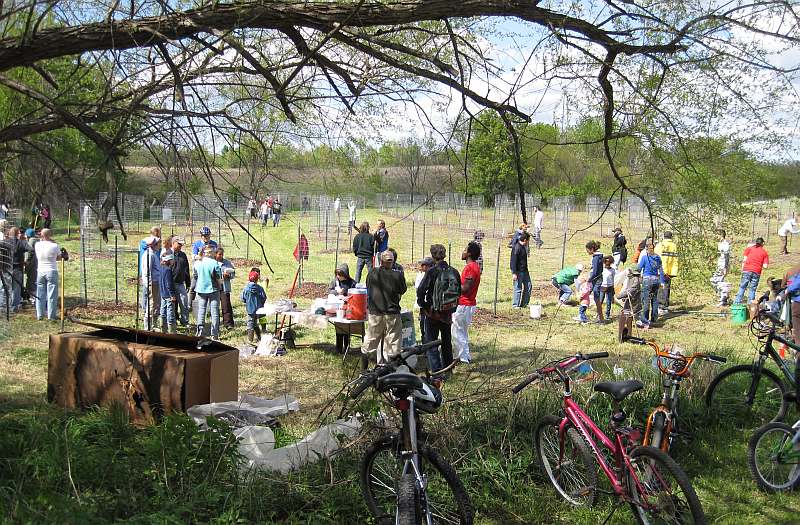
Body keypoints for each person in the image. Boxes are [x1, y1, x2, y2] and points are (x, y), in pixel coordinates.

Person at [417, 244, 460, 378]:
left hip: (433, 313)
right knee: (446, 341)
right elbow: (459, 292)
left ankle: (436, 372)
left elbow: (421, 290)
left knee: (431, 342)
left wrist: (424, 306)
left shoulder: (432, 271)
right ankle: (448, 369)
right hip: (447, 313)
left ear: (433, 255)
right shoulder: (453, 271)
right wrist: (452, 307)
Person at [363, 250, 408, 366]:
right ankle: (391, 369)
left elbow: (368, 286)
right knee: (393, 341)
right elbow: (403, 290)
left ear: (381, 261)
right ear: (392, 262)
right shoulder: (397, 275)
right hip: (392, 312)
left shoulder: (372, 273)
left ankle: (364, 369)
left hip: (375, 312)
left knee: (370, 340)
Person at [452, 241, 481, 364]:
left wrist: (452, 286)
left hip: (464, 304)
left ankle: (462, 358)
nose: (462, 252)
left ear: (469, 253)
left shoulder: (470, 268)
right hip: (468, 304)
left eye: (464, 249)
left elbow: (466, 288)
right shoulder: (475, 266)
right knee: (462, 331)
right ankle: (465, 355)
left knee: (457, 331)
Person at [34, 228, 65, 321]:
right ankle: (51, 316)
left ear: (41, 235)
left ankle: (40, 315)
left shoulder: (37, 245)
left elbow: (42, 242)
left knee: (40, 294)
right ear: (50, 235)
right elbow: (59, 257)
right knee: (51, 294)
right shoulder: (55, 246)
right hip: (51, 270)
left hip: (40, 271)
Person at [195, 246, 222, 338]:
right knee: (214, 312)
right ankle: (214, 333)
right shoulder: (215, 263)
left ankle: (200, 331)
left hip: (201, 289)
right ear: (211, 253)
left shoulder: (198, 263)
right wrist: (220, 285)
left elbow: (195, 275)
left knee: (201, 310)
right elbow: (218, 277)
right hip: (213, 289)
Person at [734, 237, 769, 304]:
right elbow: (765, 266)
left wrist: (743, 269)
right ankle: (750, 305)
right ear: (762, 243)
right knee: (752, 289)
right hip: (756, 272)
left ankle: (737, 303)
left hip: (747, 270)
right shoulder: (764, 253)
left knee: (742, 287)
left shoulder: (749, 249)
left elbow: (744, 259)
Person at [638, 241, 664, 328]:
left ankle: (644, 320)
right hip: (656, 281)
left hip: (647, 281)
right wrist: (662, 281)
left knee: (646, 300)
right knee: (654, 300)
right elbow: (661, 271)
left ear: (646, 249)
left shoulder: (645, 257)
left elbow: (639, 268)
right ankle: (654, 319)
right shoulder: (658, 257)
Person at [655, 231, 679, 312]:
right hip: (670, 270)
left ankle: (661, 306)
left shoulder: (660, 245)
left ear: (663, 236)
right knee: (667, 287)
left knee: (661, 288)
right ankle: (665, 305)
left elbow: (655, 257)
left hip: (661, 269)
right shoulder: (674, 246)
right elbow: (675, 259)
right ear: (671, 237)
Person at [241, 270, 268, 343]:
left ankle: (250, 339)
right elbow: (264, 297)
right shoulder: (260, 288)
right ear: (257, 279)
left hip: (250, 310)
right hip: (260, 309)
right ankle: (263, 330)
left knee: (251, 323)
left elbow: (243, 298)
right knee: (262, 318)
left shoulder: (246, 288)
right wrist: (261, 303)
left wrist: (247, 302)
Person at [171, 237, 191, 326]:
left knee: (184, 303)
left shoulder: (183, 255)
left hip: (180, 283)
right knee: (172, 304)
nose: (181, 246)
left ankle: (184, 321)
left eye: (181, 244)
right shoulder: (168, 254)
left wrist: (188, 283)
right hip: (170, 284)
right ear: (173, 243)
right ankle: (173, 321)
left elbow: (186, 269)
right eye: (179, 244)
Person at [414, 257, 434, 343]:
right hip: (423, 305)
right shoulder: (420, 275)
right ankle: (424, 343)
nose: (421, 266)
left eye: (424, 265)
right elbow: (418, 290)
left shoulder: (432, 275)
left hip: (430, 305)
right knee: (423, 325)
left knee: (429, 327)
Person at [215, 247, 235, 328]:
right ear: (215, 254)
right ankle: (215, 324)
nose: (221, 256)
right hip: (214, 287)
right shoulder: (212, 262)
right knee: (214, 307)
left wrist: (228, 275)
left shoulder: (227, 263)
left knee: (226, 305)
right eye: (219, 254)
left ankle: (228, 324)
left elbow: (233, 273)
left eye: (222, 254)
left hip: (224, 287)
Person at [710, 229, 731, 306]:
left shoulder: (726, 244)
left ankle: (723, 297)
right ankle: (723, 297)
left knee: (715, 281)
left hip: (723, 266)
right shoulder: (720, 244)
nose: (716, 236)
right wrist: (712, 258)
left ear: (721, 235)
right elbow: (719, 254)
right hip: (719, 265)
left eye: (717, 235)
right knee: (718, 282)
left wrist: (725, 268)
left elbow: (726, 256)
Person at [511, 232, 532, 308]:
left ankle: (524, 304)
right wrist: (514, 273)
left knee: (529, 286)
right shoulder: (516, 248)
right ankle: (515, 305)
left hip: (525, 271)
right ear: (525, 240)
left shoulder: (523, 247)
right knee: (518, 288)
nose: (528, 242)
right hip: (518, 272)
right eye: (528, 240)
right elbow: (513, 261)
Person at [586, 240, 605, 322]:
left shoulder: (596, 258)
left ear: (592, 249)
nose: (587, 252)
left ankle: (601, 319)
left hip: (596, 280)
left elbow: (595, 271)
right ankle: (599, 317)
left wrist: (589, 279)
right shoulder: (598, 256)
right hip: (597, 279)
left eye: (587, 250)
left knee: (597, 299)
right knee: (595, 298)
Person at [159, 252, 177, 333]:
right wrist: (172, 295)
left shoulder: (161, 268)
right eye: (172, 260)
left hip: (163, 293)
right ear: (169, 260)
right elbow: (169, 284)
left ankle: (163, 329)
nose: (173, 261)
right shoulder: (168, 270)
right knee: (170, 312)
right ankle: (171, 331)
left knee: (163, 310)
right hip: (168, 294)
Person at [24, 228, 37, 304]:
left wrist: (26, 262)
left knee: (31, 280)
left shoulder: (31, 241)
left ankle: (32, 298)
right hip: (35, 263)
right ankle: (29, 296)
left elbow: (29, 253)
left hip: (32, 263)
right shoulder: (36, 240)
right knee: (31, 280)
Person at [600, 255, 616, 321]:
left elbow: (613, 278)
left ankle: (607, 315)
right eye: (606, 262)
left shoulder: (613, 270)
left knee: (608, 302)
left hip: (610, 287)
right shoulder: (602, 270)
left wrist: (613, 287)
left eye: (608, 263)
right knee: (600, 301)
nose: (607, 264)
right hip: (602, 286)